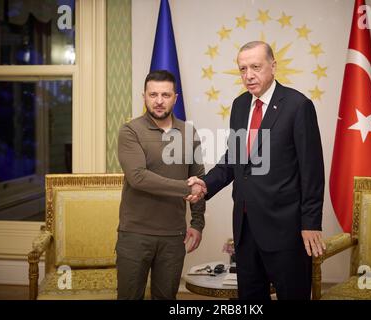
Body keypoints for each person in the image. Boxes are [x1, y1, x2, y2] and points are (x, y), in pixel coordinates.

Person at [187, 41, 325, 300]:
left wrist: (310, 223)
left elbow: (312, 171)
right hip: (245, 226)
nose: (248, 75)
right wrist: (206, 184)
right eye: (242, 69)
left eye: (255, 67)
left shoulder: (298, 105)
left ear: (273, 66)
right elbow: (233, 160)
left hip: (286, 230)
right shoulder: (240, 105)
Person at [117, 70, 206, 300]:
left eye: (165, 95)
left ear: (175, 98)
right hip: (135, 235)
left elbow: (198, 178)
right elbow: (138, 177)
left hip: (174, 236)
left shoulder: (188, 131)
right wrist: (187, 188)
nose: (158, 101)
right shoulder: (130, 131)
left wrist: (197, 223)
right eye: (153, 94)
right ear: (143, 96)